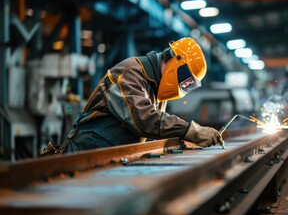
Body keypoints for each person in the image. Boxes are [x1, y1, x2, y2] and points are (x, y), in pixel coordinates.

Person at [48, 37, 222, 154]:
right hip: (85, 152)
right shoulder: (132, 72)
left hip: (111, 155)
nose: (183, 85)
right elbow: (144, 119)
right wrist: (190, 131)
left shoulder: (157, 88)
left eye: (188, 83)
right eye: (185, 79)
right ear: (173, 60)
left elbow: (156, 127)